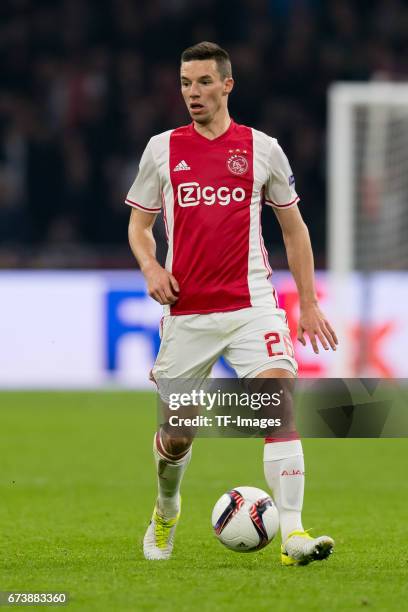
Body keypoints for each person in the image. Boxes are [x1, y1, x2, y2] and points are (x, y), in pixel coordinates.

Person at [126, 41, 338, 565]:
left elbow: (294, 227)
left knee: (276, 402)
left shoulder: (262, 149)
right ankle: (166, 509)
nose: (191, 93)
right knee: (176, 438)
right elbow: (139, 225)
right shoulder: (161, 149)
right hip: (187, 312)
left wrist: (307, 302)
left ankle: (293, 534)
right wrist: (152, 268)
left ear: (227, 85)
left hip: (251, 304)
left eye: (201, 82)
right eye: (184, 83)